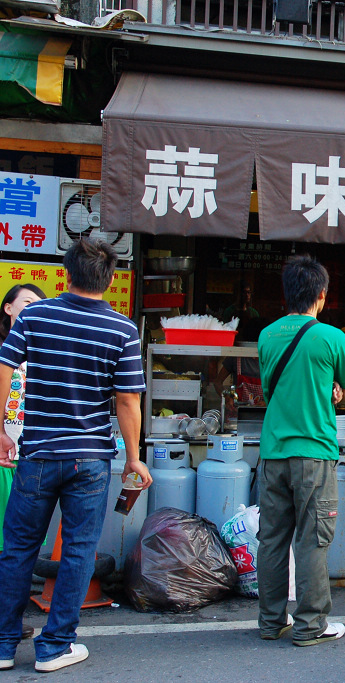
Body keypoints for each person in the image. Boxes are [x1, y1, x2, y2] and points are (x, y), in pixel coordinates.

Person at [0, 238, 150, 673]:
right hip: (90, 459)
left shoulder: (34, 316)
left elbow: (5, 367)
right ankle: (54, 646)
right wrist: (134, 457)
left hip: (38, 453)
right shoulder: (122, 330)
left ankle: (6, 644)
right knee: (79, 550)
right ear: (110, 279)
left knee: (18, 548)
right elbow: (127, 402)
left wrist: (1, 431)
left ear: (67, 273)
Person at [256, 255, 345, 646]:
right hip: (314, 454)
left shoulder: (267, 335)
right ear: (321, 295)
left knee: (272, 539)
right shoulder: (332, 338)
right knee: (313, 540)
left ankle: (270, 622)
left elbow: (271, 391)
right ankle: (310, 625)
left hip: (273, 452)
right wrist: (334, 391)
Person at [0, 284, 45, 643]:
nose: (34, 309)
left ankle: (7, 624)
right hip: (2, 457)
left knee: (13, 545)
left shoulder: (41, 352)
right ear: (8, 308)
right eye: (27, 302)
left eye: (39, 304)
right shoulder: (3, 352)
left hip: (28, 459)